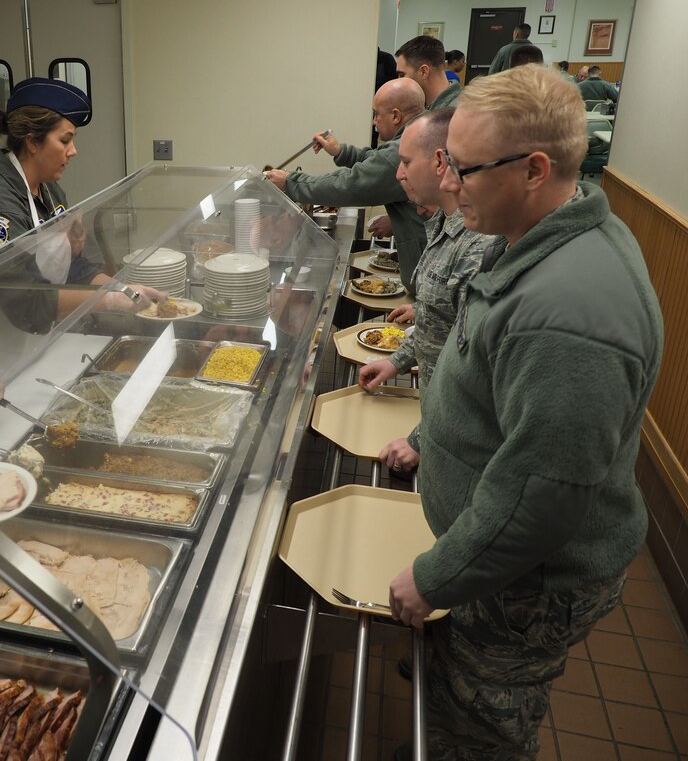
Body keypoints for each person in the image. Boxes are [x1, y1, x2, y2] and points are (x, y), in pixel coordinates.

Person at [389, 65, 663, 759]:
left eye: (466, 170)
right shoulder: (543, 237)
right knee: (455, 697)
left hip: (525, 587)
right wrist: (431, 432)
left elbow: (538, 500)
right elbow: (484, 369)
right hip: (493, 564)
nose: (447, 185)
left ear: (536, 169)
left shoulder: (568, 317)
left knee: (486, 731)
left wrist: (434, 581)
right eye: (445, 163)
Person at [0, 78, 161, 322]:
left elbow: (76, 267)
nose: (73, 150)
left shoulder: (49, 190)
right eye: (65, 140)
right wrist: (108, 300)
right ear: (32, 141)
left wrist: (124, 290)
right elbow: (25, 300)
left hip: (33, 336)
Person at [357, 108, 497, 474]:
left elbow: (471, 369)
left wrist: (420, 440)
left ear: (439, 161)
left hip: (457, 443)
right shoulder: (442, 222)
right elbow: (440, 321)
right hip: (438, 422)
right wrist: (398, 359)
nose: (398, 173)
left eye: (405, 161)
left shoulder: (476, 245)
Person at [265, 78, 427, 292]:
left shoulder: (403, 147)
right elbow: (377, 160)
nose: (374, 122)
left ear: (396, 115)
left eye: (377, 114)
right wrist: (341, 152)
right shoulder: (419, 131)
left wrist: (290, 182)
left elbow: (350, 185)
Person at [394, 36, 462, 111]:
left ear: (424, 72)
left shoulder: (457, 113)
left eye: (402, 75)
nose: (398, 81)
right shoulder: (422, 106)